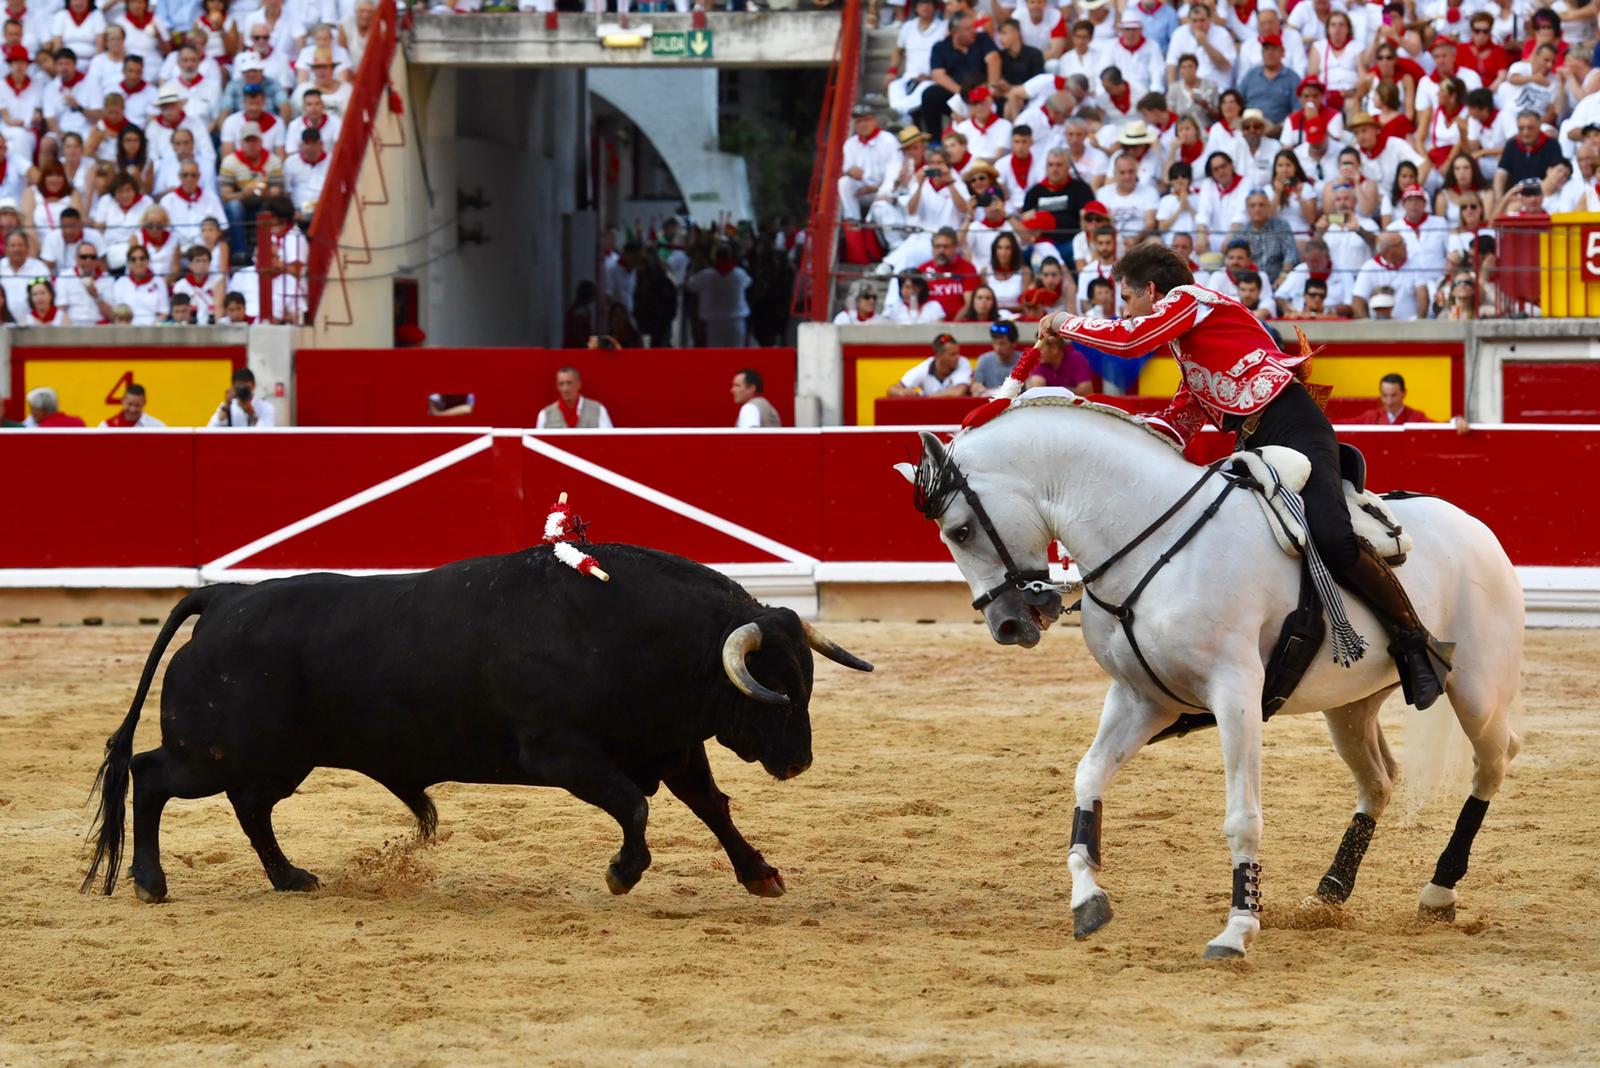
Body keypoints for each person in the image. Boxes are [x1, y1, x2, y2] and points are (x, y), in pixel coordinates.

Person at [1040, 243, 1453, 708]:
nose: (1125, 310)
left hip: (1295, 427)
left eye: (1128, 299)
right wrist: (1123, 437)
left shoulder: (1192, 300)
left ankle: (1415, 644)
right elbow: (1178, 421)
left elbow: (1130, 340)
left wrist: (1063, 322)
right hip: (1253, 444)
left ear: (1151, 291)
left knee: (1333, 537)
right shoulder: (1193, 349)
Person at [683, 244, 751, 347]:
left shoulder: (706, 275)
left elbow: (690, 285)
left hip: (714, 323)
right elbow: (748, 283)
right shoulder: (739, 274)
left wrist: (690, 270)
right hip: (736, 322)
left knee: (716, 356)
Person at [887, 332, 973, 397]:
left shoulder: (963, 362)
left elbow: (958, 392)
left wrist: (923, 397)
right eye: (953, 354)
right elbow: (891, 390)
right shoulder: (924, 368)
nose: (957, 357)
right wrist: (903, 393)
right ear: (938, 355)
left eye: (958, 353)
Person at [535, 366, 614, 429]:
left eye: (569, 383)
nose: (565, 389)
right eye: (561, 384)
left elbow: (609, 440)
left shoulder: (598, 410)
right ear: (557, 387)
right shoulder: (546, 414)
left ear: (579, 384)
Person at [1025, 330, 1094, 392]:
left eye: (1041, 348)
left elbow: (1086, 391)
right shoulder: (1040, 361)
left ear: (1054, 349)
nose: (1037, 352)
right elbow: (1037, 390)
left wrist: (1055, 392)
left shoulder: (1076, 358)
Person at [1349, 373, 1430, 424]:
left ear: (1404, 393)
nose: (1389, 402)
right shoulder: (1371, 417)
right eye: (1385, 395)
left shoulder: (1417, 418)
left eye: (1394, 395)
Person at [208, 367, 276, 428]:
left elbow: (267, 433)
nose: (243, 391)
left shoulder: (265, 407)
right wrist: (226, 406)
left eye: (246, 388)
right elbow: (211, 428)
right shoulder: (227, 406)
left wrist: (252, 413)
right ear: (233, 387)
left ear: (254, 385)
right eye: (239, 387)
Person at [973, 320, 1022, 396]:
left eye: (1002, 343)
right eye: (994, 342)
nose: (997, 348)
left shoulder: (1024, 361)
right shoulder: (984, 360)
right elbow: (976, 386)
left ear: (1014, 343)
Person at [100, 382, 166, 427]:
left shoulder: (156, 427)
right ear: (122, 401)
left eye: (137, 405)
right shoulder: (107, 426)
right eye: (129, 404)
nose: (133, 409)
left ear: (144, 403)